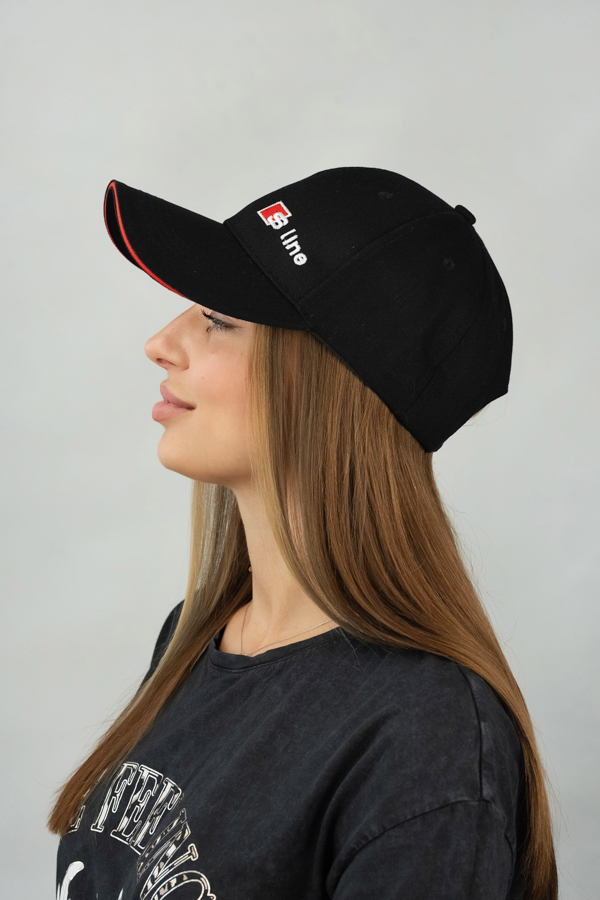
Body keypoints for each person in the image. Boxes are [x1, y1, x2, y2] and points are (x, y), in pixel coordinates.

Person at [50, 167, 557, 900]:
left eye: (219, 319)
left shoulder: (424, 739)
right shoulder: (194, 638)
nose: (160, 342)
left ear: (329, 379)